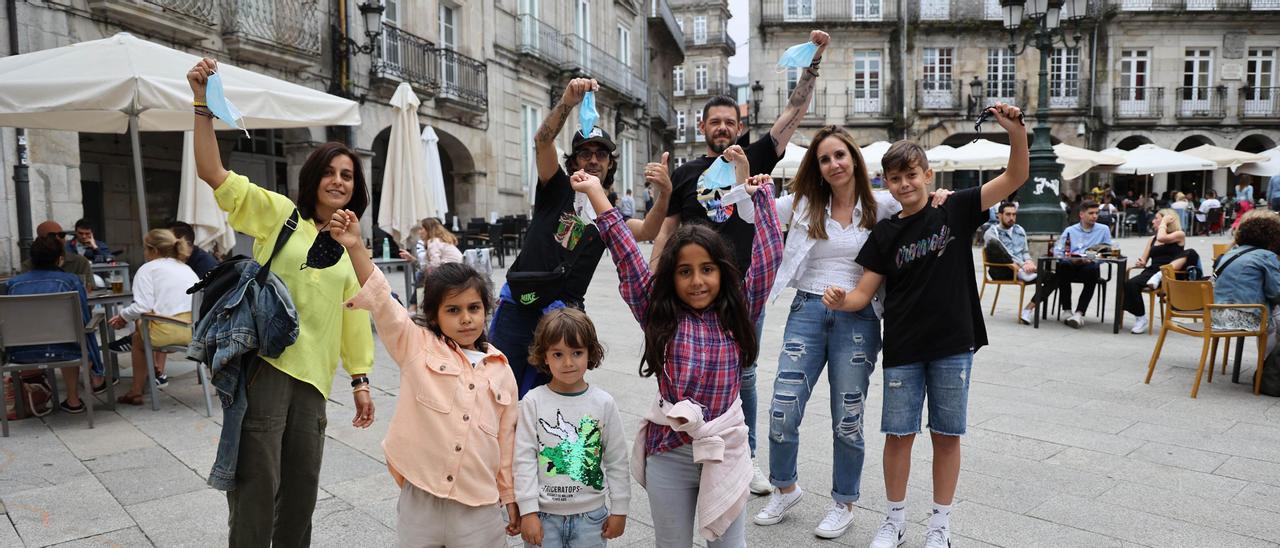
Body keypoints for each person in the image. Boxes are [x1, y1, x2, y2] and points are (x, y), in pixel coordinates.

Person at [822, 103, 1027, 548]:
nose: (904, 184)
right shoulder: (884, 233)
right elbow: (862, 292)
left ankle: (940, 524)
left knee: (947, 436)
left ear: (928, 175)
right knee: (898, 435)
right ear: (886, 184)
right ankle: (894, 520)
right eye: (894, 179)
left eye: (911, 175)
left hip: (953, 343)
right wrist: (841, 300)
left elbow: (1015, 178)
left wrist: (1015, 132)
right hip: (903, 346)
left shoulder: (955, 209)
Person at [188, 57, 375, 545]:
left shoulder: (353, 244)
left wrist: (359, 379)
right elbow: (212, 171)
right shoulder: (280, 215)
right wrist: (202, 106)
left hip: (315, 378)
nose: (339, 181)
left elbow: (354, 314)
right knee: (256, 485)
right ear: (313, 177)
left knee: (301, 492)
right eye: (331, 172)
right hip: (268, 367)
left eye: (348, 176)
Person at [572, 157, 782, 546]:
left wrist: (762, 197)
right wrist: (597, 194)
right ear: (672, 276)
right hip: (669, 450)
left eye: (707, 269)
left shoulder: (739, 311)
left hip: (725, 447)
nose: (697, 281)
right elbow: (627, 256)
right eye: (685, 271)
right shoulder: (658, 313)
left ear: (722, 271)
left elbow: (769, 258)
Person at [657, 29, 831, 495]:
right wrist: (656, 276)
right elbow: (669, 230)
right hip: (689, 288)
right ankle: (689, 444)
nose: (721, 128)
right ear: (703, 128)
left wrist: (811, 65)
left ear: (739, 125)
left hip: (741, 288)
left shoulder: (754, 160)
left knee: (745, 373)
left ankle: (744, 454)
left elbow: (793, 115)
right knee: (686, 365)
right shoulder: (686, 174)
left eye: (728, 122)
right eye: (713, 122)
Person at [328, 208, 520, 547]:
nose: (465, 319)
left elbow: (507, 442)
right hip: (422, 498)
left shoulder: (501, 370)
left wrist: (511, 495)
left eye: (473, 308)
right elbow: (384, 301)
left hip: (479, 507)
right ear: (433, 316)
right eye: (453, 310)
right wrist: (355, 245)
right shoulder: (416, 346)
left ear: (486, 309)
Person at [752, 126, 902, 539]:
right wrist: (750, 183)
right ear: (816, 168)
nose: (834, 164)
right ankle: (786, 488)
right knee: (783, 406)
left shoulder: (884, 205)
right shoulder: (803, 204)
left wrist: (939, 196)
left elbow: (920, 204)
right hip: (807, 309)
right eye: (824, 159)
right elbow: (749, 211)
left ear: (853, 158)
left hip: (859, 314)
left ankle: (843, 502)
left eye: (840, 155)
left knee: (848, 418)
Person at [491, 78, 671, 399]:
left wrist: (664, 194)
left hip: (564, 315)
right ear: (573, 161)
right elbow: (542, 140)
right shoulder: (555, 186)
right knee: (499, 386)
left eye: (601, 154)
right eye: (585, 153)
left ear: (609, 163)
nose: (593, 159)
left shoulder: (606, 210)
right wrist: (566, 103)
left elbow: (647, 231)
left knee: (548, 394)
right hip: (521, 302)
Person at [516, 308, 630, 548]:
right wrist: (527, 511)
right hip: (543, 517)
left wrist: (620, 508)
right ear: (544, 356)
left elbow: (617, 460)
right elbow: (523, 459)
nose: (568, 362)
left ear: (590, 353)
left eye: (577, 352)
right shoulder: (532, 401)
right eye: (558, 354)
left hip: (591, 518)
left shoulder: (604, 403)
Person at [3, 233, 105, 413]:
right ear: (60, 259)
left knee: (51, 335)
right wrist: (95, 364)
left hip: (20, 354)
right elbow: (82, 318)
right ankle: (74, 399)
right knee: (75, 335)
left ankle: (32, 394)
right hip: (65, 352)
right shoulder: (70, 281)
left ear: (32, 259)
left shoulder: (13, 285)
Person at [108, 229, 201, 403]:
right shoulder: (187, 269)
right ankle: (155, 370)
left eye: (145, 248)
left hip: (166, 333)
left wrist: (122, 316)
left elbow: (142, 306)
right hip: (195, 331)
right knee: (142, 329)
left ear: (154, 250)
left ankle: (136, 391)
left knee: (137, 338)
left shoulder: (147, 270)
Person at [1212, 210, 1280, 358]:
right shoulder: (1266, 256)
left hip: (1216, 315)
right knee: (1276, 317)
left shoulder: (1231, 253)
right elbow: (1276, 293)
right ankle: (1268, 367)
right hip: (1242, 317)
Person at [1124, 210, 1200, 334]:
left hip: (1170, 273)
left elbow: (1162, 237)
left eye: (1157, 218)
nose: (1153, 221)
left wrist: (1163, 222)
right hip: (1152, 271)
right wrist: (1141, 262)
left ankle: (1160, 275)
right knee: (1131, 284)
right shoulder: (1152, 239)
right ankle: (1140, 318)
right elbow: (1144, 258)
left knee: (1190, 252)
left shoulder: (1179, 234)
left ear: (1168, 220)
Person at [1049, 200, 1115, 329]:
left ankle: (1079, 313)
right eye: (1091, 213)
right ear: (1082, 214)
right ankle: (1067, 309)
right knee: (1063, 266)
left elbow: (1108, 252)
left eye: (1096, 213)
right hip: (1071, 265)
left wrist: (1094, 259)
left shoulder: (1103, 229)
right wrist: (1069, 258)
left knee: (1092, 270)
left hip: (1090, 266)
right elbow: (1058, 251)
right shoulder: (1070, 230)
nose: (1095, 216)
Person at [23, 220, 93, 289]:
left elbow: (89, 289)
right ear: (40, 241)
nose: (58, 238)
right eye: (51, 236)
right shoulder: (29, 265)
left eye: (61, 235)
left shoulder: (80, 262)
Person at [984, 202, 1038, 284]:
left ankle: (1038, 297)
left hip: (1024, 270)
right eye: (1008, 214)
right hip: (1002, 270)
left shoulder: (1020, 230)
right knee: (993, 243)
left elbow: (1025, 252)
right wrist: (1022, 265)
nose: (1011, 218)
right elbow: (1005, 253)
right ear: (1000, 215)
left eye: (1014, 214)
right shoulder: (991, 232)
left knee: (1052, 277)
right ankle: (1020, 272)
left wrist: (1029, 262)